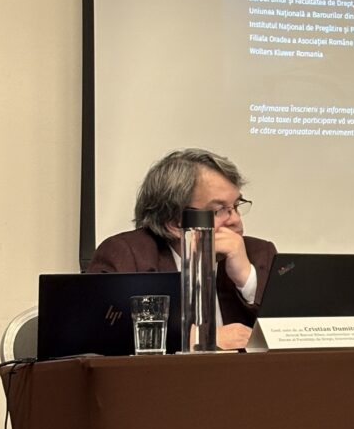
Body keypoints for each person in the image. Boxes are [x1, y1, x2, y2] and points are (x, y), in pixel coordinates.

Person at [88, 148, 277, 350]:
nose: (236, 220)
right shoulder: (127, 255)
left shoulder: (259, 254)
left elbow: (290, 333)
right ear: (174, 222)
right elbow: (99, 332)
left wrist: (246, 279)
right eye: (219, 210)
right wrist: (196, 339)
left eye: (236, 206)